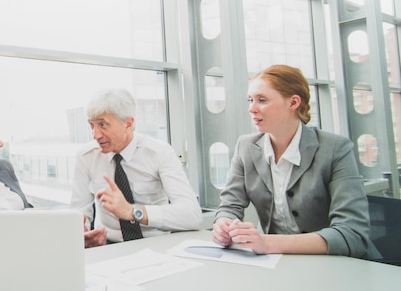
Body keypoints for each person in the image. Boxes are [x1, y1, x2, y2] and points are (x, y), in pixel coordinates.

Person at [212, 64, 378, 259]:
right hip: (279, 263)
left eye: (262, 100)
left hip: (336, 264)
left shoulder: (336, 149)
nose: (252, 109)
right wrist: (224, 225)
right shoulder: (246, 147)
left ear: (293, 103)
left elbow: (351, 234)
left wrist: (266, 242)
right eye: (250, 100)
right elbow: (230, 206)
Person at [71, 88, 203, 247]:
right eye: (91, 125)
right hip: (107, 245)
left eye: (102, 125)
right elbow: (79, 212)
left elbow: (192, 215)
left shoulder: (159, 152)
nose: (95, 135)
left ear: (128, 123)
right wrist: (83, 234)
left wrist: (132, 211)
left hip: (156, 243)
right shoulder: (86, 156)